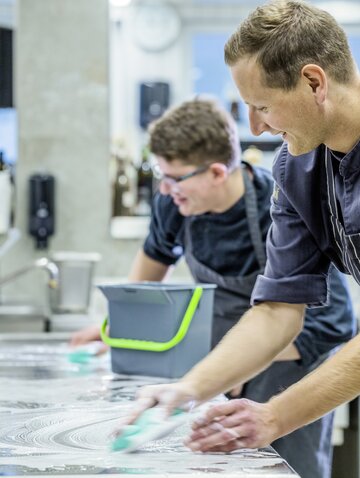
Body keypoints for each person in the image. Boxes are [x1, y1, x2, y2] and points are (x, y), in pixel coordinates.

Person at [126, 0, 360, 464]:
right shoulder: (298, 168)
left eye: (262, 106)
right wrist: (191, 388)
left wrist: (274, 416)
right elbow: (277, 310)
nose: (256, 127)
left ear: (314, 82)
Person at [71, 99, 355, 478]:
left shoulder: (281, 205)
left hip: (295, 373)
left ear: (218, 172)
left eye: (174, 178)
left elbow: (332, 323)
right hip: (228, 364)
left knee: (284, 471)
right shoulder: (175, 203)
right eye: (161, 175)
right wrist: (116, 328)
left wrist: (245, 364)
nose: (165, 188)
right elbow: (149, 267)